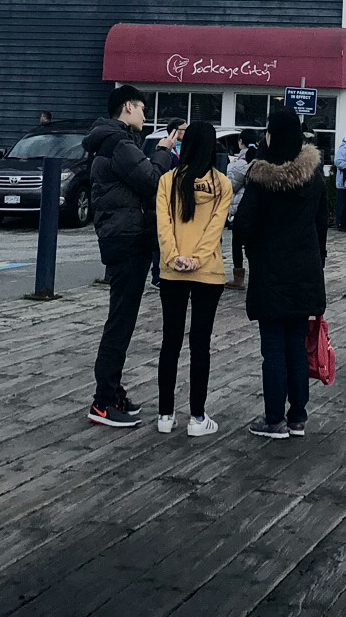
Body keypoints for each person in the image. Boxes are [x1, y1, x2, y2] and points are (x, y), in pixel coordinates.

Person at [84, 84, 176, 428]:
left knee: (122, 319)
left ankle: (112, 389)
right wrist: (165, 150)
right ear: (126, 108)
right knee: (120, 322)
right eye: (140, 108)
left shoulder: (113, 141)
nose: (144, 114)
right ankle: (103, 401)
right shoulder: (119, 143)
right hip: (127, 240)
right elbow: (152, 179)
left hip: (122, 238)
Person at [232, 110, 329, 438]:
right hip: (305, 272)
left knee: (272, 346)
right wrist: (320, 258)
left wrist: (251, 250)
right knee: (297, 345)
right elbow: (322, 221)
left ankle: (274, 418)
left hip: (270, 273)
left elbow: (244, 223)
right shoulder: (314, 175)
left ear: (273, 134)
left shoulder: (261, 177)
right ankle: (298, 415)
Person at [154, 120, 233, 437]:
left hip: (171, 271)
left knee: (169, 342)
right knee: (200, 344)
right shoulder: (222, 185)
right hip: (207, 273)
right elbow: (215, 230)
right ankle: (198, 417)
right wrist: (197, 259)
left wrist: (174, 257)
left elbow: (163, 226)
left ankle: (164, 415)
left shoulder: (167, 181)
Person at [225, 140, 252, 290]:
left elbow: (231, 185)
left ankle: (238, 278)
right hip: (255, 210)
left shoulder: (241, 163)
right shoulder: (259, 159)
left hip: (240, 207)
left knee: (237, 243)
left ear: (241, 142)